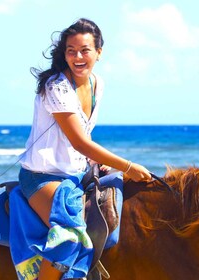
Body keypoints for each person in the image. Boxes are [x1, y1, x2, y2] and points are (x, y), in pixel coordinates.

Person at [9, 18, 151, 280]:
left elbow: (84, 134)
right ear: (64, 54)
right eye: (71, 50)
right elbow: (79, 141)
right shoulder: (56, 86)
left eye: (85, 50)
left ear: (99, 52)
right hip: (43, 178)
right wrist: (128, 166)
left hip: (77, 173)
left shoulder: (98, 84)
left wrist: (97, 162)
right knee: (69, 239)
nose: (78, 57)